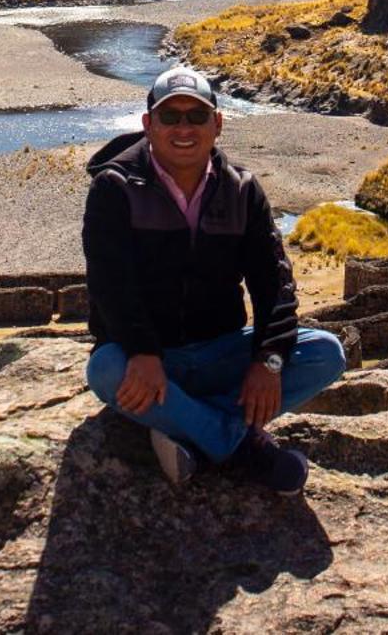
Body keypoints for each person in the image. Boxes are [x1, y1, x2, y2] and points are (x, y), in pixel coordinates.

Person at [81, 64, 346, 494]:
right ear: (148, 124)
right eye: (170, 117)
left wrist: (269, 359)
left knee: (326, 353)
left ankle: (190, 430)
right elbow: (111, 285)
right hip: (150, 361)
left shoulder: (241, 189)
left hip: (221, 354)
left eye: (196, 116)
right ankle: (238, 445)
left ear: (217, 124)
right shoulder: (115, 187)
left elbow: (274, 283)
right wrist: (144, 352)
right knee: (106, 369)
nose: (183, 128)